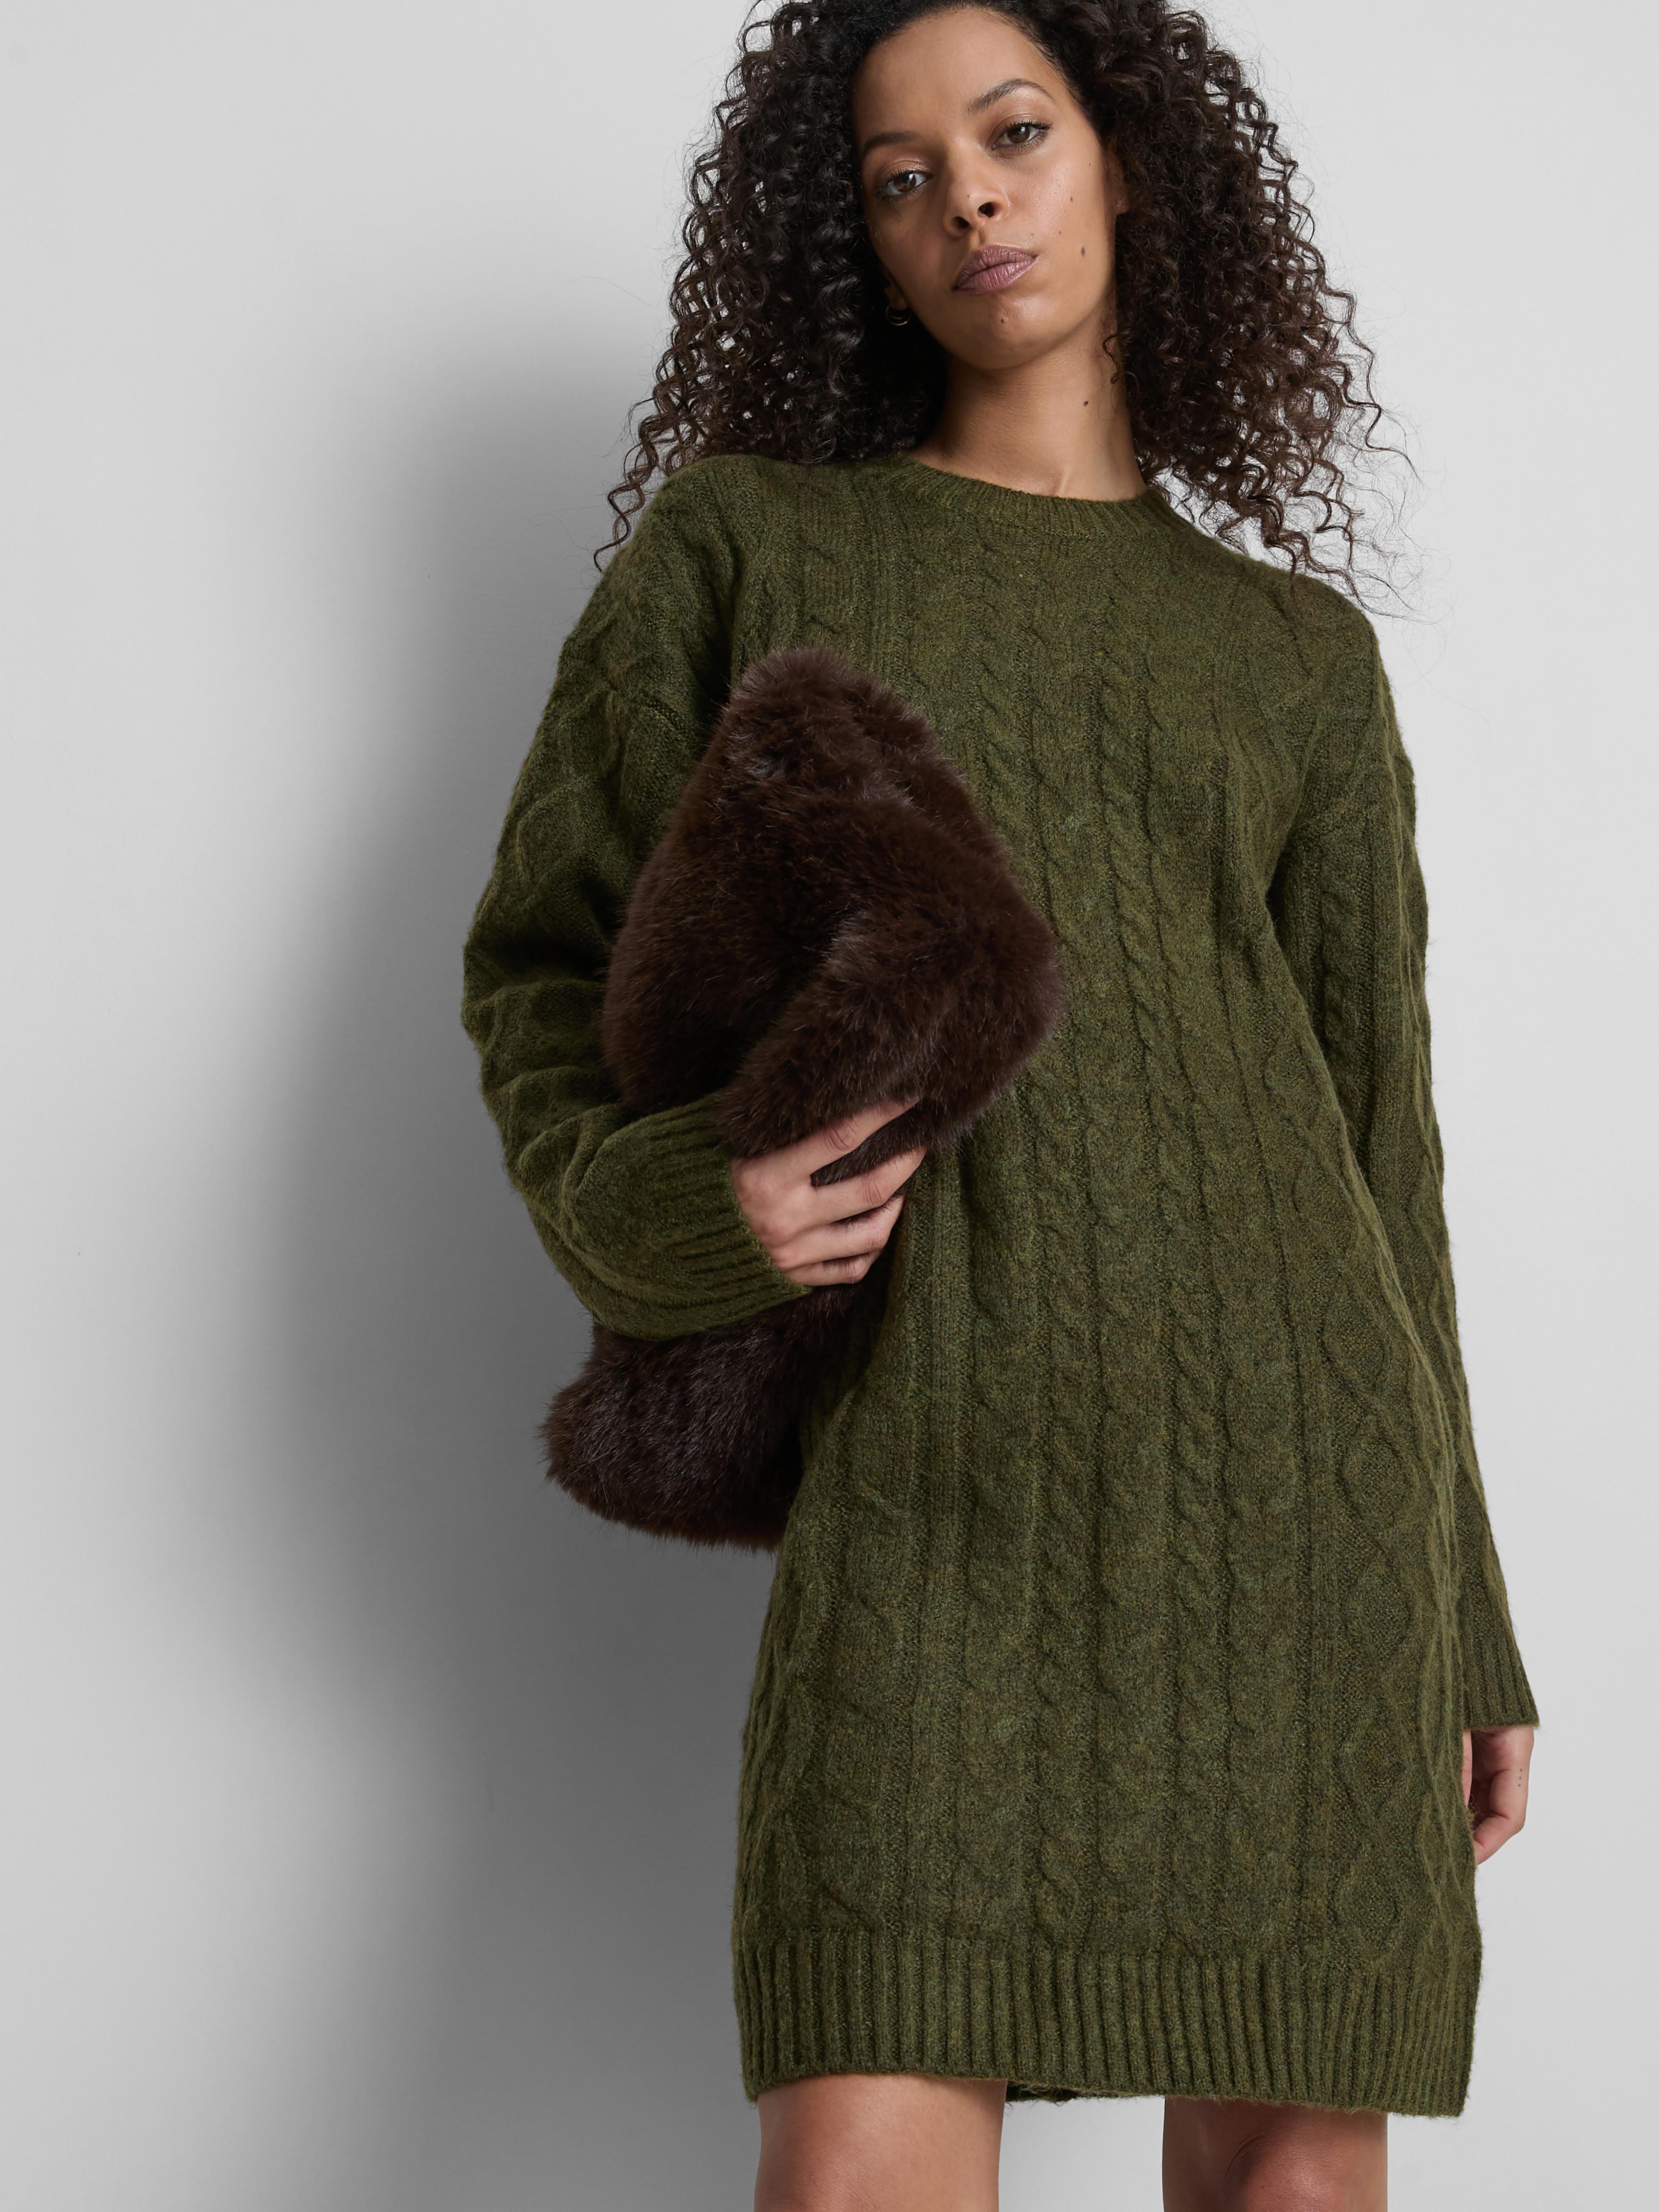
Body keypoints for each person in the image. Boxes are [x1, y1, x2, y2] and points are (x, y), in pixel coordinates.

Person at [459, 3, 1540, 2205]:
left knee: (1292, 2184)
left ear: (1125, 155)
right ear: (857, 239)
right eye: (898, 175)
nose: (966, 195)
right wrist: (684, 1206)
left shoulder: (1297, 657)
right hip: (934, 1492)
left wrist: (1470, 1615)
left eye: (1013, 133)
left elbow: (1383, 1144)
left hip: (1304, 1521)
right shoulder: (750, 547)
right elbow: (538, 967)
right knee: (856, 2168)